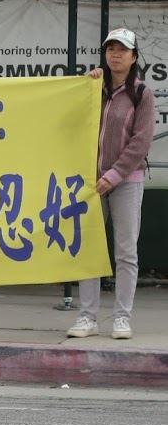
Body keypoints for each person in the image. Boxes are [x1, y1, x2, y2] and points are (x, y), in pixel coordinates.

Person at [66, 27, 154, 341]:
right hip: (91, 182)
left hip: (126, 181)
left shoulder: (141, 94)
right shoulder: (95, 87)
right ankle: (87, 317)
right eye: (111, 49)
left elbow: (141, 142)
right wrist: (85, 86)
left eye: (122, 50)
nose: (115, 55)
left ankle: (121, 318)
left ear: (133, 57)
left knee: (126, 252)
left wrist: (113, 175)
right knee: (89, 250)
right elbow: (73, 122)